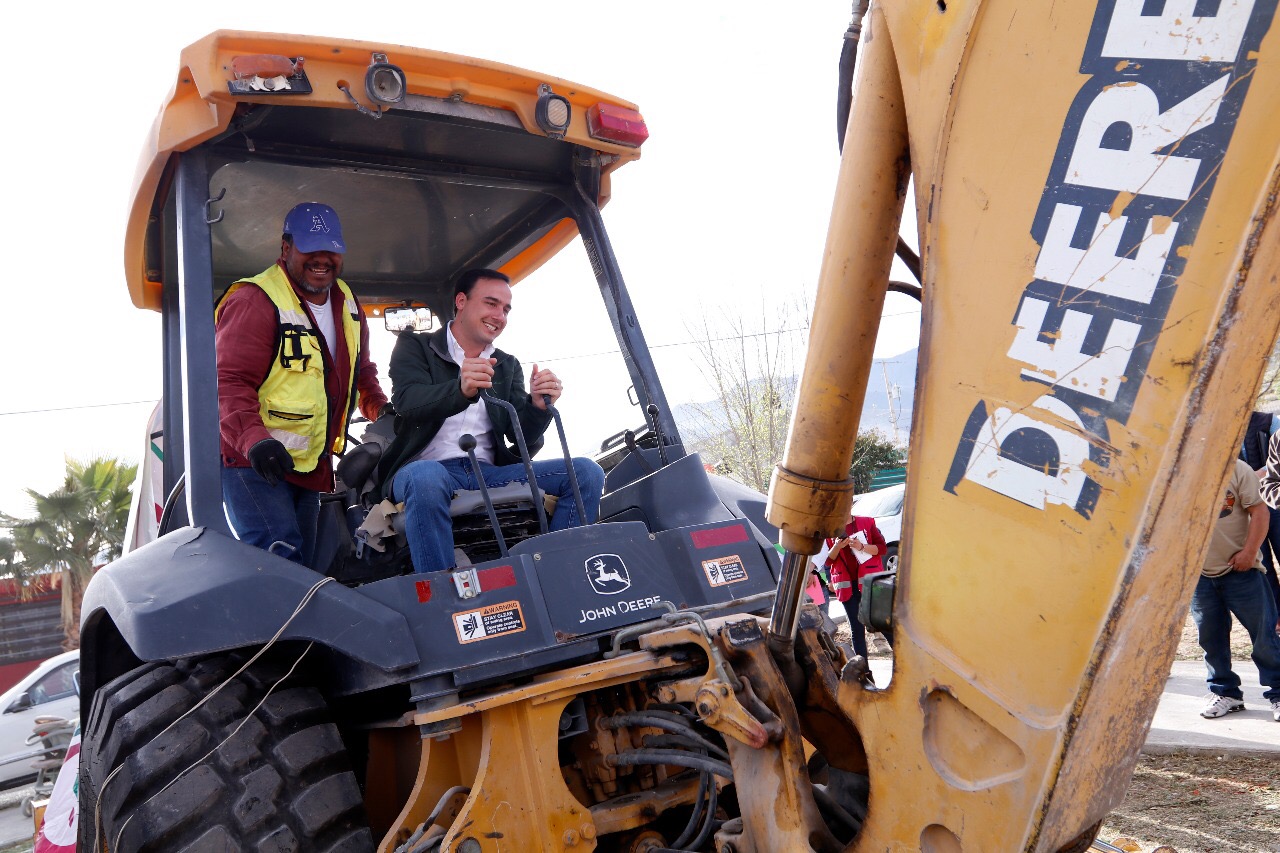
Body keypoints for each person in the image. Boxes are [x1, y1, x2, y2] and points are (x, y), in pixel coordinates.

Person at [377, 268, 605, 573]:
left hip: (487, 472)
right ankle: (444, 595)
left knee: (586, 473)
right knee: (426, 478)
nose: (499, 315)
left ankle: (558, 574)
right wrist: (459, 390)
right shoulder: (415, 347)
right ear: (461, 301)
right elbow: (408, 401)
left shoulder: (507, 364)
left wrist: (537, 407)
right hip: (424, 470)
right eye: (491, 303)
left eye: (506, 309)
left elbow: (518, 435)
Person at [216, 202, 389, 566]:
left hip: (311, 465)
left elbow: (361, 371)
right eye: (311, 248)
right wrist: (255, 441)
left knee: (306, 567)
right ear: (286, 248)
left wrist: (381, 410)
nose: (322, 259)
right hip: (255, 462)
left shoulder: (348, 302)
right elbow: (227, 383)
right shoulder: (255, 299)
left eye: (331, 249)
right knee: (281, 557)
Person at [1194, 458, 1280, 722]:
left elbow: (1260, 511)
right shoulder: (1177, 470)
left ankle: (1278, 692)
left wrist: (1250, 552)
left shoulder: (1236, 468)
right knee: (1210, 637)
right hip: (1199, 574)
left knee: (1263, 636)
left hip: (1241, 570)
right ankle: (1225, 692)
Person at [820, 513, 887, 659]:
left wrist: (861, 546)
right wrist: (837, 546)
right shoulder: (828, 528)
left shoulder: (867, 522)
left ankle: (902, 664)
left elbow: (882, 549)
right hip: (847, 587)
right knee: (857, 631)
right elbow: (827, 561)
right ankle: (863, 673)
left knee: (884, 624)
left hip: (869, 585)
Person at [1240, 410, 1280, 614]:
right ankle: (1277, 618)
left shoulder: (1269, 421)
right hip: (1243, 509)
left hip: (1273, 502)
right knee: (1262, 565)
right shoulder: (1217, 429)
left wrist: (1259, 473)